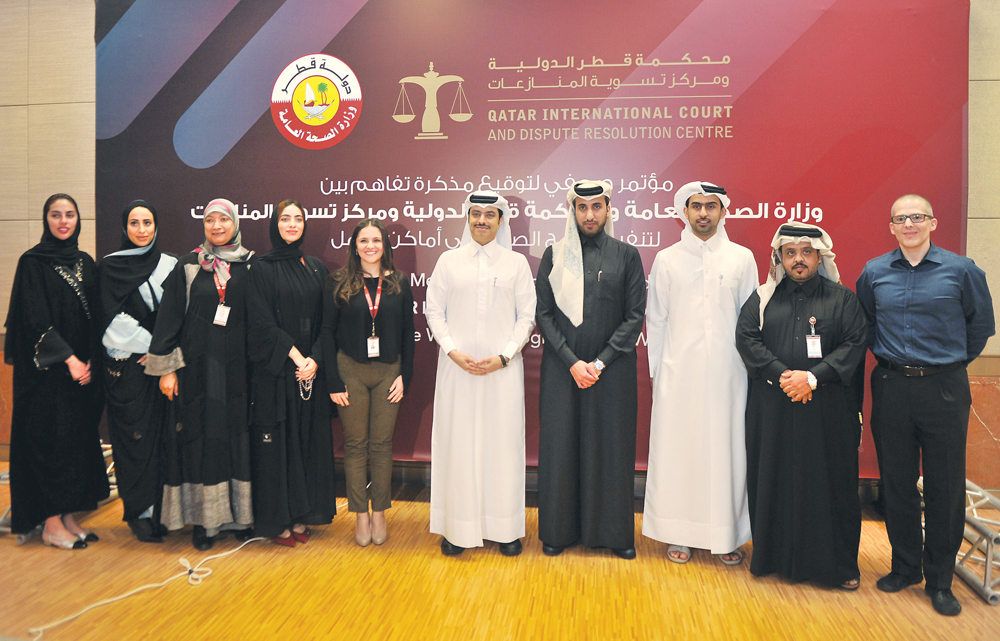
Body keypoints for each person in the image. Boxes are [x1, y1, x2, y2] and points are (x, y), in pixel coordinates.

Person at [856, 195, 994, 616]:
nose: (909, 224)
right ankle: (905, 568)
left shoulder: (962, 270)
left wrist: (947, 364)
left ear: (932, 223)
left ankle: (940, 581)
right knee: (896, 483)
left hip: (944, 389)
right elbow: (866, 324)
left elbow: (980, 326)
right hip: (892, 386)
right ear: (892, 227)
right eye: (901, 218)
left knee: (944, 487)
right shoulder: (874, 272)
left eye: (917, 217)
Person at [735, 222, 868, 590]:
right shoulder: (763, 299)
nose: (798, 259)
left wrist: (811, 378)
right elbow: (746, 339)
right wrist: (785, 376)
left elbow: (854, 344)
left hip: (826, 412)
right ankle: (772, 559)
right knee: (774, 480)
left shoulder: (842, 299)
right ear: (780, 257)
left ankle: (837, 567)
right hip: (773, 409)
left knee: (830, 484)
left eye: (806, 252)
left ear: (820, 256)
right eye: (790, 253)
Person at [643, 181, 758, 566]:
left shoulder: (741, 258)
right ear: (685, 212)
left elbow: (751, 321)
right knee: (681, 452)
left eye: (711, 206)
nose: (704, 213)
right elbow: (656, 319)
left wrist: (749, 371)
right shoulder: (667, 259)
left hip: (730, 375)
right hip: (678, 375)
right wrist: (658, 373)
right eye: (696, 206)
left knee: (726, 453)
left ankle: (726, 536)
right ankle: (679, 532)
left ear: (723, 211)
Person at [535, 180, 646, 559]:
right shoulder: (554, 255)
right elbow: (544, 314)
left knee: (610, 449)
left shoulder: (626, 255)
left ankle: (614, 535)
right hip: (562, 369)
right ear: (573, 211)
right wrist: (572, 362)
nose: (589, 214)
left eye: (596, 206)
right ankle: (558, 531)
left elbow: (634, 316)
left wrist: (598, 363)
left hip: (611, 371)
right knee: (561, 447)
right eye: (582, 207)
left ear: (608, 209)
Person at [424, 191, 536, 557]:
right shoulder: (448, 261)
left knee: (502, 448)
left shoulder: (516, 263)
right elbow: (434, 311)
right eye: (476, 214)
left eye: (490, 214)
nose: (482, 220)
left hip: (502, 372)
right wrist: (452, 350)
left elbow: (527, 316)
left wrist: (504, 356)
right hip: (456, 371)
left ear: (501, 221)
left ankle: (504, 529)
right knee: (458, 446)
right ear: (468, 218)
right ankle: (457, 528)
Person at [145, 197, 255, 550]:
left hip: (239, 373)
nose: (217, 226)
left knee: (237, 441)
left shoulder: (250, 265)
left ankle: (240, 518)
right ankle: (205, 524)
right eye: (210, 220)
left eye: (224, 219)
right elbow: (169, 319)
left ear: (235, 223)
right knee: (203, 444)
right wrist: (167, 370)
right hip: (197, 372)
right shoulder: (189, 265)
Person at [5, 193, 110, 549]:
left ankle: (67, 517)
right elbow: (34, 319)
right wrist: (70, 359)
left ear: (78, 219)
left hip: (81, 377)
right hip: (46, 377)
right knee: (48, 446)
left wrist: (92, 359)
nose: (63, 221)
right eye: (55, 215)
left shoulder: (84, 262)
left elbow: (95, 316)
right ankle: (50, 523)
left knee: (74, 446)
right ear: (46, 219)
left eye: (69, 214)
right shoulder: (33, 263)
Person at [247, 200, 338, 547]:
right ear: (275, 224)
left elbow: (327, 321)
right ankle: (278, 522)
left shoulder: (315, 267)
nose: (292, 224)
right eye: (285, 219)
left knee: (307, 444)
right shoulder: (260, 268)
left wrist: (315, 359)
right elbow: (261, 322)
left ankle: (301, 515)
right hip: (278, 374)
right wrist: (298, 357)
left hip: (310, 374)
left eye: (298, 219)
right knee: (279, 449)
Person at [322, 219, 414, 547]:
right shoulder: (338, 281)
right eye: (364, 240)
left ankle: (380, 513)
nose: (370, 246)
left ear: (385, 245)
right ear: (355, 246)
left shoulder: (399, 282)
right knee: (356, 445)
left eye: (376, 240)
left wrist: (405, 376)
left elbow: (408, 332)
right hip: (350, 371)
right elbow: (327, 332)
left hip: (389, 371)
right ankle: (360, 513)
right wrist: (333, 381)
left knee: (382, 445)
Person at [98, 200, 177, 543]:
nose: (141, 229)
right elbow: (109, 318)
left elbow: (179, 313)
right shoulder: (110, 267)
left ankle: (164, 510)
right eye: (134, 223)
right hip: (130, 369)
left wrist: (162, 352)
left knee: (164, 439)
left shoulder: (170, 264)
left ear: (156, 226)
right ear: (124, 227)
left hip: (164, 368)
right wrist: (152, 346)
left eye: (147, 222)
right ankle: (140, 512)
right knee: (135, 439)